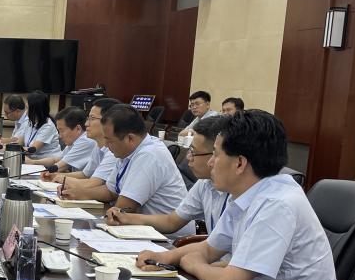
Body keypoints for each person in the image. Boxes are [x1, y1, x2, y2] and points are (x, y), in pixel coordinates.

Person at [136, 110, 340, 280]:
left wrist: (191, 264)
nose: (210, 163)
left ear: (240, 163)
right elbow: (209, 249)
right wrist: (164, 257)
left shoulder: (278, 205)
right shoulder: (246, 195)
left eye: (215, 154)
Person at [106, 115, 228, 237]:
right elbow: (171, 221)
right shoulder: (204, 184)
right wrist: (126, 217)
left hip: (174, 239)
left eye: (193, 152)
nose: (188, 157)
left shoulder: (234, 193)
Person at [100, 104, 194, 238]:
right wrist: (76, 192)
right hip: (142, 230)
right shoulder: (128, 151)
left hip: (168, 239)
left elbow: (123, 209)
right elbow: (110, 191)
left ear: (130, 138)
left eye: (109, 140)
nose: (105, 145)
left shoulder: (150, 154)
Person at [52, 97, 120, 203]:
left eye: (92, 118)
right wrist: (56, 176)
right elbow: (85, 175)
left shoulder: (114, 152)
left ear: (109, 121)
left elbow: (93, 183)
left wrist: (63, 179)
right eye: (88, 118)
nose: (86, 124)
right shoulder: (98, 145)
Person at [37, 106, 98, 172]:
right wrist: (32, 162)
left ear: (78, 129)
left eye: (62, 130)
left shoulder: (85, 140)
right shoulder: (74, 141)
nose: (59, 136)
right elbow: (57, 160)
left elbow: (60, 167)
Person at [21, 91, 61, 163]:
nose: (25, 112)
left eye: (27, 108)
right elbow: (19, 142)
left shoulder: (48, 126)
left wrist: (13, 149)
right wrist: (5, 147)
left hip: (46, 163)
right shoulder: (29, 122)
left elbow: (33, 150)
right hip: (32, 161)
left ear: (35, 110)